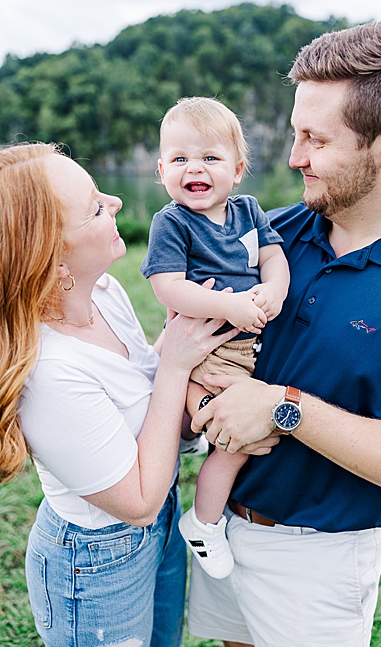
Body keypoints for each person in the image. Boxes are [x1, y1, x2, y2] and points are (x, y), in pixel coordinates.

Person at [184, 20, 381, 647]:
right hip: (219, 524)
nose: (294, 157)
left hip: (319, 559)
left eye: (315, 139)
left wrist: (284, 408)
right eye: (296, 133)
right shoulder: (270, 234)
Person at [0, 142, 245, 647]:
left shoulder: (106, 293)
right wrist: (177, 364)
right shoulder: (50, 372)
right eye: (93, 206)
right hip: (96, 563)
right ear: (51, 254)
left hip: (162, 525)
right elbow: (135, 502)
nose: (114, 201)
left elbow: (145, 387)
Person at [140, 97, 290, 579]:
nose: (194, 169)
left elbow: (272, 258)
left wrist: (274, 291)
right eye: (180, 159)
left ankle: (192, 433)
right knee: (237, 442)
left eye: (210, 158)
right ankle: (204, 522)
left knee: (245, 430)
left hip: (246, 346)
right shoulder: (172, 222)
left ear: (238, 169)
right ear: (162, 169)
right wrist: (229, 305)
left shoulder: (247, 211)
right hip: (208, 346)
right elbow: (168, 286)